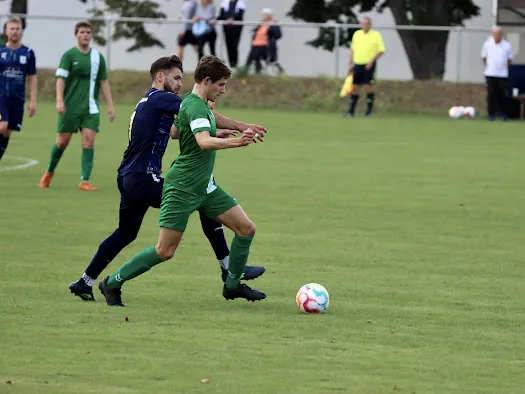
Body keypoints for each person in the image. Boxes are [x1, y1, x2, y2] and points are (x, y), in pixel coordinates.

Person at [69, 55, 265, 301]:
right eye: (176, 78)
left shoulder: (151, 102)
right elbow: (197, 117)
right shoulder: (167, 98)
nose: (179, 83)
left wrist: (215, 128)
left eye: (182, 79)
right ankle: (228, 268)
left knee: (126, 233)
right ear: (159, 77)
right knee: (173, 238)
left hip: (130, 176)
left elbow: (176, 130)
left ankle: (84, 281)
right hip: (149, 178)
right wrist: (238, 133)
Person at [39, 21, 115, 191]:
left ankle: (84, 181)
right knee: (62, 142)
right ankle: (48, 173)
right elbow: (60, 79)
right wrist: (59, 100)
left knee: (89, 141)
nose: (85, 35)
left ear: (91, 35)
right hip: (70, 107)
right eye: (82, 32)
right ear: (76, 35)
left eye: (88, 32)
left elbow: (103, 81)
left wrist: (110, 104)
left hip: (91, 108)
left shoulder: (97, 57)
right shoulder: (69, 56)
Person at [0, 16, 37, 162]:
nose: (15, 32)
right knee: (2, 127)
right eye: (12, 29)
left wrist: (33, 101)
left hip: (17, 99)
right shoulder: (1, 51)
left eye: (17, 29)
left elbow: (32, 77)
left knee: (8, 132)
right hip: (1, 97)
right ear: (6, 31)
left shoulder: (28, 53)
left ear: (21, 31)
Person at [346, 17, 385, 117]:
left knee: (368, 87)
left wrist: (372, 60)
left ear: (370, 25)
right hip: (357, 64)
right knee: (355, 87)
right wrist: (350, 63)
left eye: (366, 24)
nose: (364, 26)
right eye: (362, 24)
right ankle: (351, 111)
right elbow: (353, 50)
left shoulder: (376, 35)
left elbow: (381, 50)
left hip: (369, 65)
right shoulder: (357, 34)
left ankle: (368, 112)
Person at [481, 26, 513, 121]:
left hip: (502, 74)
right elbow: (484, 58)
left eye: (499, 34)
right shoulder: (487, 44)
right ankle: (491, 114)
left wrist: (502, 67)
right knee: (491, 94)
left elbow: (509, 60)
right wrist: (490, 66)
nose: (497, 36)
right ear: (492, 35)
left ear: (501, 35)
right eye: (495, 34)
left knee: (502, 94)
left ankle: (504, 114)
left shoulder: (507, 45)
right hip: (490, 73)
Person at [245, 8, 282, 74]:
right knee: (251, 59)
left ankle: (256, 71)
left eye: (264, 15)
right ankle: (247, 72)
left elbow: (278, 35)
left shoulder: (273, 24)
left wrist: (270, 31)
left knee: (258, 57)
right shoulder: (261, 24)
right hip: (255, 45)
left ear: (269, 16)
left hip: (265, 46)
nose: (263, 16)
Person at [217, 0, 246, 69]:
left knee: (234, 45)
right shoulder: (225, 2)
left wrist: (232, 19)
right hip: (227, 27)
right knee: (228, 46)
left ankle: (234, 65)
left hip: (236, 28)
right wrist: (215, 19)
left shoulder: (241, 1)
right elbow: (221, 15)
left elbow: (240, 13)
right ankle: (231, 65)